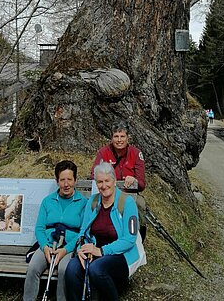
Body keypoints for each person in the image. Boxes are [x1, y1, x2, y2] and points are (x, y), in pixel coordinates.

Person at [65, 162, 146, 301]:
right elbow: (83, 232)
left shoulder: (126, 203)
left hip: (121, 254)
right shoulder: (93, 201)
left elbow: (129, 239)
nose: (104, 186)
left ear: (114, 181)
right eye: (100, 182)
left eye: (107, 181)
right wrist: (81, 249)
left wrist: (101, 251)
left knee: (96, 269)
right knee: (71, 268)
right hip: (94, 250)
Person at [23, 160, 88, 301]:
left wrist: (66, 250)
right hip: (49, 243)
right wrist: (45, 247)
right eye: (62, 180)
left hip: (70, 246)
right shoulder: (48, 201)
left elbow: (83, 233)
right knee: (33, 268)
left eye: (69, 179)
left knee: (64, 270)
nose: (66, 184)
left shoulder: (83, 203)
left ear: (75, 180)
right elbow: (39, 228)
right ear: (57, 181)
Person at [90, 122, 146, 192]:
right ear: (112, 138)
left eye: (122, 136)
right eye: (116, 136)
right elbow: (94, 176)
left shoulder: (136, 153)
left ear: (128, 138)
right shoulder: (103, 152)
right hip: (107, 193)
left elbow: (142, 184)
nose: (119, 140)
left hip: (129, 194)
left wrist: (134, 180)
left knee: (140, 203)